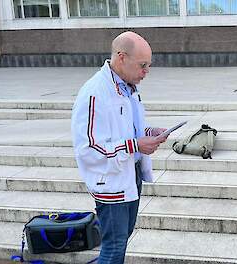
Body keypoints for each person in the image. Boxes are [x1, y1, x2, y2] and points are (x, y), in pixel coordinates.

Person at [71, 31, 167, 264]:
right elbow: (88, 148)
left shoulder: (128, 87)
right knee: (114, 248)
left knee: (122, 238)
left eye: (149, 66)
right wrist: (136, 144)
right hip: (111, 181)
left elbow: (121, 129)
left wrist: (146, 133)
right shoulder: (94, 93)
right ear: (121, 57)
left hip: (130, 174)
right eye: (142, 65)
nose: (146, 72)